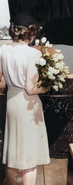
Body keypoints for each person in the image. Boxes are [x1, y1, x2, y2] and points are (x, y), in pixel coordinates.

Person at [0, 13, 50, 185]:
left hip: (11, 101)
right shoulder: (32, 54)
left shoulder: (3, 50)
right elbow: (31, 88)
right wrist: (48, 85)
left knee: (12, 152)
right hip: (27, 104)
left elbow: (1, 80)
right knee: (29, 156)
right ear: (30, 32)